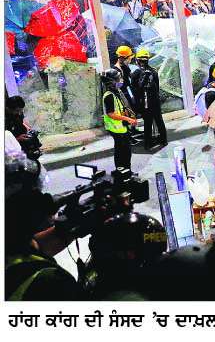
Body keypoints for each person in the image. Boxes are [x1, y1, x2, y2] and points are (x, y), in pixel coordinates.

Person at [5, 151, 84, 300]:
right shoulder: (51, 282)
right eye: (37, 196)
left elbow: (32, 247)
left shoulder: (11, 244)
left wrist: (72, 226)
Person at [130, 49, 167, 150]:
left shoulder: (136, 73)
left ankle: (148, 143)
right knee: (159, 120)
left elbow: (135, 90)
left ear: (137, 61)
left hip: (144, 102)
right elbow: (157, 87)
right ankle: (163, 140)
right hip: (155, 101)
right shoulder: (153, 71)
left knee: (148, 122)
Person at [101, 69, 137, 171]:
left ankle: (126, 171)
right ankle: (122, 172)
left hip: (121, 127)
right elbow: (111, 114)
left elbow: (122, 107)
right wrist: (127, 119)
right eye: (118, 79)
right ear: (111, 82)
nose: (121, 80)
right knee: (122, 152)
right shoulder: (109, 96)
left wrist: (130, 117)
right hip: (116, 128)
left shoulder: (117, 92)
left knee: (125, 151)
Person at [5, 95, 42, 161]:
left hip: (22, 136)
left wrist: (28, 129)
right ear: (8, 109)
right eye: (17, 111)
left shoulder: (18, 113)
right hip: (12, 144)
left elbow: (21, 122)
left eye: (21, 111)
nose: (19, 113)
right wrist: (17, 139)